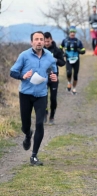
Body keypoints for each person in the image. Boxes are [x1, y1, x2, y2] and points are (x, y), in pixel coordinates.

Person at [10, 31, 58, 166]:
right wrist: (22, 76)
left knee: (39, 124)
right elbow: (12, 71)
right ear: (32, 42)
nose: (39, 42)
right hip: (25, 94)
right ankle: (27, 134)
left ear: (44, 41)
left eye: (41, 39)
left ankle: (34, 155)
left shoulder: (49, 56)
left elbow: (52, 71)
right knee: (26, 125)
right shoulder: (24, 56)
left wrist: (54, 77)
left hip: (41, 95)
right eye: (36, 39)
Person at [43, 32, 66, 125]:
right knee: (43, 97)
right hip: (43, 77)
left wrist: (56, 60)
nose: (46, 43)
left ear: (51, 40)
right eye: (45, 41)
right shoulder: (40, 50)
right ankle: (44, 113)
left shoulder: (57, 50)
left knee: (53, 98)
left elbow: (63, 63)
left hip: (54, 77)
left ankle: (52, 116)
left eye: (48, 41)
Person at [60, 26, 86, 95]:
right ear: (69, 33)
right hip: (68, 59)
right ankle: (69, 83)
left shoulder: (78, 41)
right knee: (69, 73)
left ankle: (74, 88)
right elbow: (60, 48)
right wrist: (63, 54)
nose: (72, 33)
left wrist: (79, 51)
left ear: (75, 33)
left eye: (73, 32)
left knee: (75, 75)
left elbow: (83, 50)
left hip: (76, 60)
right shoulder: (65, 40)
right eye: (71, 32)